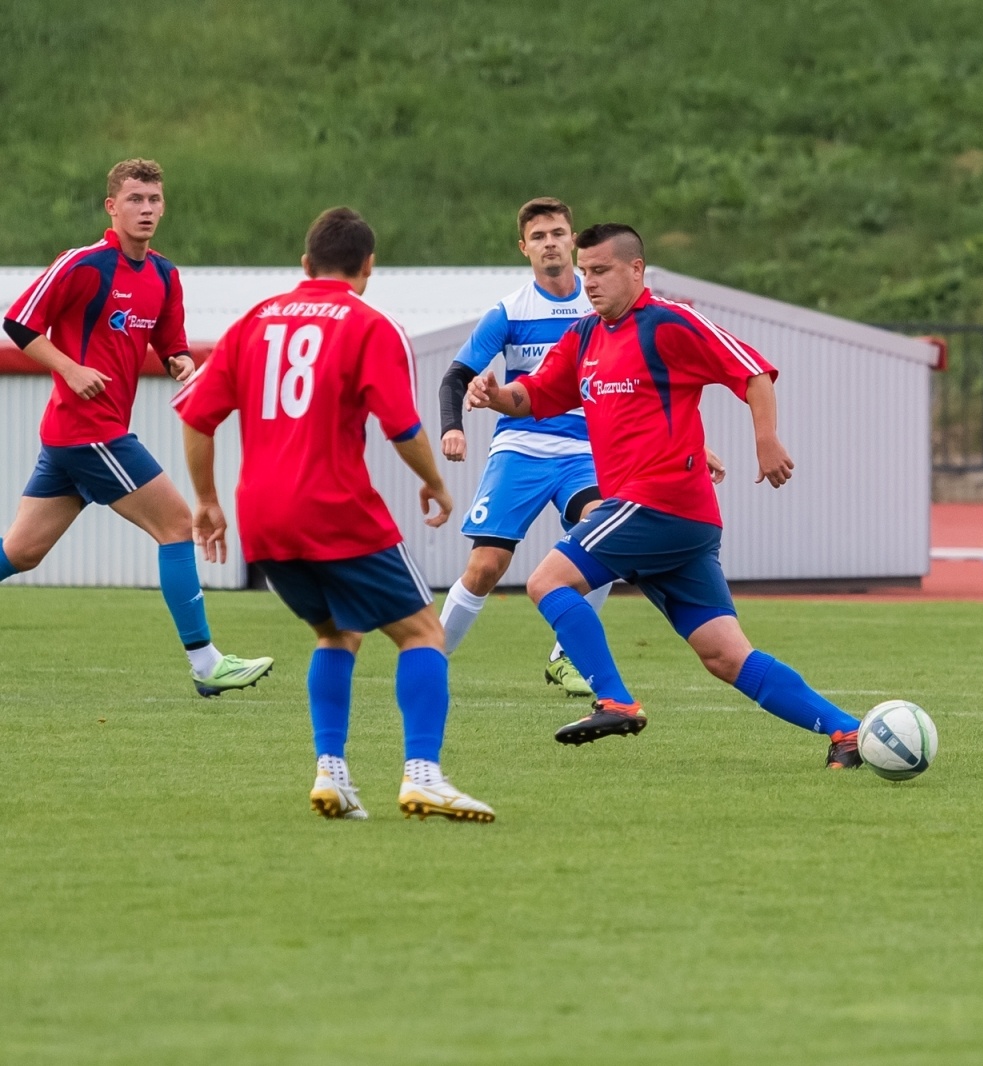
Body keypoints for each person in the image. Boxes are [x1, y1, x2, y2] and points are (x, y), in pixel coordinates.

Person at [467, 223, 865, 768]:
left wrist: (766, 440)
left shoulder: (669, 323)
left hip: (661, 502)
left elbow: (752, 373)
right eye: (585, 272)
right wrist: (496, 397)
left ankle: (615, 701)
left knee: (546, 581)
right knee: (725, 656)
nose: (590, 283)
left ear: (636, 270)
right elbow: (535, 393)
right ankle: (847, 731)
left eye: (601, 271)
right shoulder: (583, 337)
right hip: (674, 521)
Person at [175, 207, 494, 821]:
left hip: (264, 520)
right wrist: (434, 483)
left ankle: (332, 773)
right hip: (335, 509)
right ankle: (423, 774)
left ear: (305, 264)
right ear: (368, 266)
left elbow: (195, 414)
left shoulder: (253, 322)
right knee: (423, 633)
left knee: (336, 632)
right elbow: (402, 426)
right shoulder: (371, 325)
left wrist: (208, 501)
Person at [0, 158, 272, 696]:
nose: (146, 209)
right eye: (135, 200)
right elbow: (18, 321)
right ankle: (206, 665)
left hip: (79, 438)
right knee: (176, 524)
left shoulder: (165, 275)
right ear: (112, 207)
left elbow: (169, 343)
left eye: (154, 200)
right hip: (88, 430)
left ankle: (206, 664)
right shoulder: (83, 264)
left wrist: (180, 363)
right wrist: (71, 369)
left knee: (21, 552)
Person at [435, 198, 610, 696]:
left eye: (557, 232)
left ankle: (566, 655)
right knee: (487, 565)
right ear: (524, 248)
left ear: (572, 240)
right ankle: (431, 659)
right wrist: (454, 427)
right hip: (522, 447)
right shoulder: (510, 311)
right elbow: (456, 377)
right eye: (539, 236)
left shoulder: (599, 304)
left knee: (605, 540)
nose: (550, 242)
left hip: (583, 450)